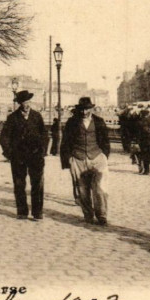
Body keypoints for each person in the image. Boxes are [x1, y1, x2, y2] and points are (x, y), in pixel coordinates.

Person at [60, 97, 111, 226]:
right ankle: (88, 215)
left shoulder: (99, 122)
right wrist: (68, 160)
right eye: (82, 109)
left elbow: (105, 140)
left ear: (91, 109)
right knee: (83, 189)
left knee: (99, 188)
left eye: (87, 109)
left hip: (97, 157)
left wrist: (105, 156)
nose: (84, 112)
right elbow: (65, 142)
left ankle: (102, 215)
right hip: (78, 158)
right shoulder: (72, 122)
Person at [0, 90, 48, 220]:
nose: (27, 105)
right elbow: (4, 137)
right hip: (18, 157)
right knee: (19, 184)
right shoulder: (12, 118)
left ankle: (37, 212)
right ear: (20, 103)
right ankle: (22, 211)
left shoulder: (37, 116)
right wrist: (9, 153)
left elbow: (44, 135)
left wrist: (42, 151)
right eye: (24, 102)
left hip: (35, 156)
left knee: (37, 184)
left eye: (28, 102)